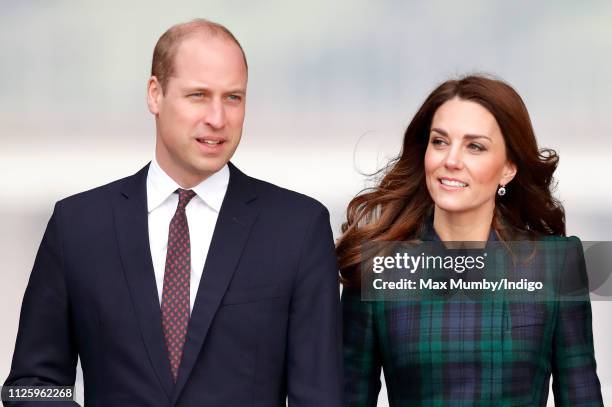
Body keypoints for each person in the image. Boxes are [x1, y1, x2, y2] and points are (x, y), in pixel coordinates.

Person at [4, 19, 342, 406]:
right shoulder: (77, 226)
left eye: (233, 97)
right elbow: (31, 383)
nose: (218, 118)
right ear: (155, 94)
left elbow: (319, 396)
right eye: (198, 95)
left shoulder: (298, 228)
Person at [337, 75, 603, 406]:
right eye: (440, 141)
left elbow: (582, 398)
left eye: (474, 146)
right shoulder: (378, 268)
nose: (451, 160)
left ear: (508, 168)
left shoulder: (556, 263)